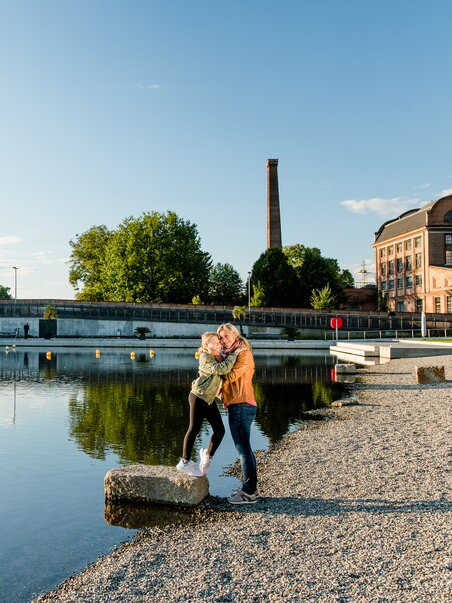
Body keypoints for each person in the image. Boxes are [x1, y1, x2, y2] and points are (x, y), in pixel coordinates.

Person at [176, 332, 238, 477]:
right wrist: (233, 356)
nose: (217, 344)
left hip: (208, 399)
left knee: (220, 430)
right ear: (206, 345)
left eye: (218, 342)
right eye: (213, 343)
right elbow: (221, 369)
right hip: (198, 397)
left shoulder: (220, 356)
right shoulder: (205, 357)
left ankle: (207, 457)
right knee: (194, 428)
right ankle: (184, 462)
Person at [217, 322, 258, 505]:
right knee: (245, 448)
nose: (223, 340)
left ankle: (248, 493)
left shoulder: (243, 353)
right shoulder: (232, 354)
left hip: (242, 405)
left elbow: (230, 376)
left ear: (235, 335)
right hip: (237, 404)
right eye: (220, 338)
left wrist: (214, 360)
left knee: (243, 450)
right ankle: (250, 489)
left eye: (226, 336)